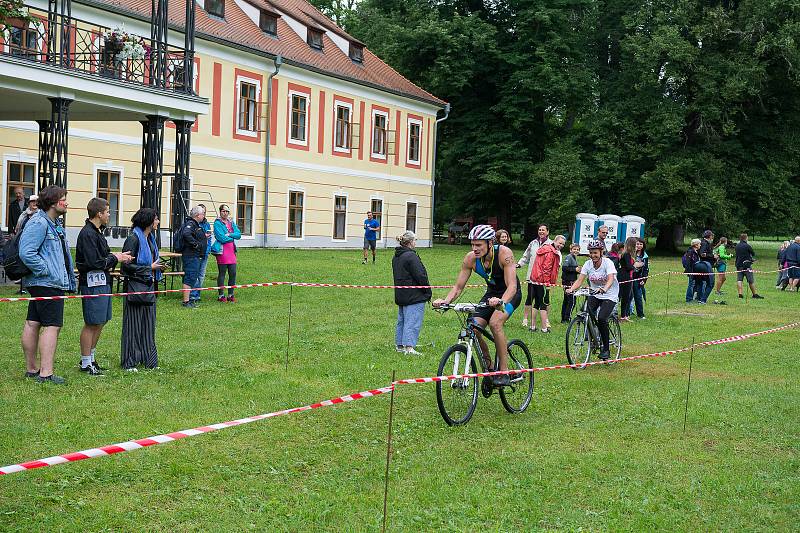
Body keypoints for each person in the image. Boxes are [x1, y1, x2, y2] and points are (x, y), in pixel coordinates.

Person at [433, 225, 522, 387]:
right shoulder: (470, 259)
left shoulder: (504, 254)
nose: (474, 248)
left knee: (495, 323)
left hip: (510, 294)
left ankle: (504, 371)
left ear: (490, 243)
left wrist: (501, 301)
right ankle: (488, 366)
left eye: (478, 245)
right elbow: (458, 287)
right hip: (491, 294)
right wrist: (446, 301)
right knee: (473, 327)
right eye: (472, 244)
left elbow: (512, 286)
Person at [18, 185, 75, 384]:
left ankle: (32, 369)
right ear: (52, 202)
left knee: (33, 322)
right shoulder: (39, 222)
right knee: (52, 326)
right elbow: (26, 252)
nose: (66, 202)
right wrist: (45, 269)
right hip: (47, 282)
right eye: (63, 199)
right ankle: (45, 372)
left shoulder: (52, 223)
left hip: (46, 282)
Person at [75, 198, 133, 375]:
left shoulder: (97, 232)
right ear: (99, 213)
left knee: (101, 320)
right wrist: (116, 259)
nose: (109, 214)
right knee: (91, 322)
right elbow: (95, 262)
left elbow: (103, 256)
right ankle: (85, 362)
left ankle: (91, 358)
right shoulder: (87, 234)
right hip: (92, 284)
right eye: (107, 211)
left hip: (103, 282)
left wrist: (116, 255)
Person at [120, 208, 163, 370]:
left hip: (149, 285)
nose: (158, 222)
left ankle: (150, 361)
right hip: (135, 286)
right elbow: (125, 267)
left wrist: (157, 268)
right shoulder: (133, 239)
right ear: (148, 221)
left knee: (148, 324)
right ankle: (129, 362)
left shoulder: (151, 239)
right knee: (133, 325)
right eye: (156, 219)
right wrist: (148, 267)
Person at [565, 239, 619, 361]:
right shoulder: (588, 264)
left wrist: (604, 289)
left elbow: (610, 279)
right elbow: (580, 280)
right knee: (586, 312)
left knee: (602, 318)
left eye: (595, 252)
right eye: (591, 252)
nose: (593, 255)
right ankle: (592, 337)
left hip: (609, 294)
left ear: (601, 252)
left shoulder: (607, 263)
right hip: (594, 293)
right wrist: (571, 289)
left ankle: (606, 349)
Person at [392, 231, 432, 355]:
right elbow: (420, 275)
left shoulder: (396, 256)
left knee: (402, 320)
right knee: (412, 321)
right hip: (414, 294)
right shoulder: (411, 256)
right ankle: (409, 347)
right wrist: (427, 291)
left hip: (401, 293)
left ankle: (399, 345)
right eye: (415, 240)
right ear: (410, 242)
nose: (415, 243)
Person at [517, 224, 552, 329]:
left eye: (543, 230)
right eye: (539, 230)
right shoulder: (533, 243)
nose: (541, 231)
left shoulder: (551, 244)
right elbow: (525, 256)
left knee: (544, 300)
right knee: (530, 297)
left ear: (548, 232)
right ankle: (525, 319)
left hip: (545, 278)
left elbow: (556, 259)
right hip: (532, 277)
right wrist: (519, 264)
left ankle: (545, 320)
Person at [528, 234, 565, 332]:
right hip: (542, 281)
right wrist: (547, 283)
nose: (561, 245)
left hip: (535, 279)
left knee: (536, 303)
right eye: (560, 243)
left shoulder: (544, 248)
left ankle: (532, 326)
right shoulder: (550, 252)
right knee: (544, 304)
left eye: (563, 244)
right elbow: (546, 269)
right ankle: (544, 328)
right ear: (555, 241)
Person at [179, 206, 208, 308]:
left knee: (192, 277)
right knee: (190, 277)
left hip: (194, 255)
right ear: (197, 215)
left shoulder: (195, 224)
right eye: (202, 214)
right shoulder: (191, 224)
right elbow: (186, 234)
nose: (203, 215)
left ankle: (190, 300)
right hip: (190, 256)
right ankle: (186, 302)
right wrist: (195, 244)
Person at [212, 204, 241, 302]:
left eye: (227, 211)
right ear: (220, 212)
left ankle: (230, 294)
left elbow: (238, 235)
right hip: (222, 251)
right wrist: (232, 237)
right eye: (223, 211)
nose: (225, 213)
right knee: (222, 273)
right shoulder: (217, 223)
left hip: (231, 251)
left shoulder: (231, 222)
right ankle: (221, 295)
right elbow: (221, 238)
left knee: (233, 273)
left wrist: (229, 234)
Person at [617, 237, 641, 321]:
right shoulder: (626, 254)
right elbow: (627, 266)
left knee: (630, 296)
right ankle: (623, 316)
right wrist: (636, 266)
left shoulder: (629, 254)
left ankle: (625, 315)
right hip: (625, 277)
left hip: (629, 277)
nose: (637, 246)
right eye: (636, 244)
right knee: (625, 297)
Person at [193, 204, 213, 303]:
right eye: (202, 212)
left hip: (205, 253)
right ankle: (194, 294)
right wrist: (203, 237)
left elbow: (209, 239)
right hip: (196, 253)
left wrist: (208, 250)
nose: (203, 214)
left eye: (204, 212)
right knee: (195, 273)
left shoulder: (207, 224)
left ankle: (198, 294)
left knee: (201, 274)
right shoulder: (194, 224)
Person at [735, 233, 763, 299]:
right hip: (746, 265)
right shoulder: (747, 246)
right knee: (750, 280)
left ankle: (740, 294)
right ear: (746, 238)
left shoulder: (737, 246)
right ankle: (754, 294)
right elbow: (753, 253)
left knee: (739, 280)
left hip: (739, 265)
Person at [561, 243, 581, 323]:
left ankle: (564, 318)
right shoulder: (569, 257)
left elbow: (572, 269)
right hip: (568, 282)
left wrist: (578, 270)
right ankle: (567, 318)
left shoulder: (574, 258)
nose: (576, 251)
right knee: (572, 300)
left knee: (567, 300)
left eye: (577, 249)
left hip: (571, 281)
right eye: (574, 249)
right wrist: (574, 270)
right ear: (570, 250)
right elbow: (564, 268)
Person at [696, 229, 716, 303]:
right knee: (711, 283)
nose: (712, 238)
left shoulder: (703, 242)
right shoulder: (705, 243)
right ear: (710, 236)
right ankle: (703, 300)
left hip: (701, 264)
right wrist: (713, 256)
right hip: (706, 265)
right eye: (712, 236)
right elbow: (702, 254)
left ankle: (699, 298)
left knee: (700, 282)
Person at [632, 238, 649, 318]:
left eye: (640, 244)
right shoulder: (631, 254)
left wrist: (644, 279)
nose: (639, 246)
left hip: (638, 279)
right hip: (629, 277)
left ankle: (640, 315)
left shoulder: (645, 256)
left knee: (638, 296)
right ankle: (626, 314)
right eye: (637, 244)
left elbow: (646, 269)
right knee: (628, 297)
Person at [684, 239, 702, 304]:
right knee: (691, 285)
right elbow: (688, 263)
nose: (700, 245)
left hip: (695, 271)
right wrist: (689, 272)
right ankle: (688, 299)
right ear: (696, 245)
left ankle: (694, 297)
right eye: (699, 244)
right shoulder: (690, 252)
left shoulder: (696, 252)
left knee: (694, 284)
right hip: (691, 271)